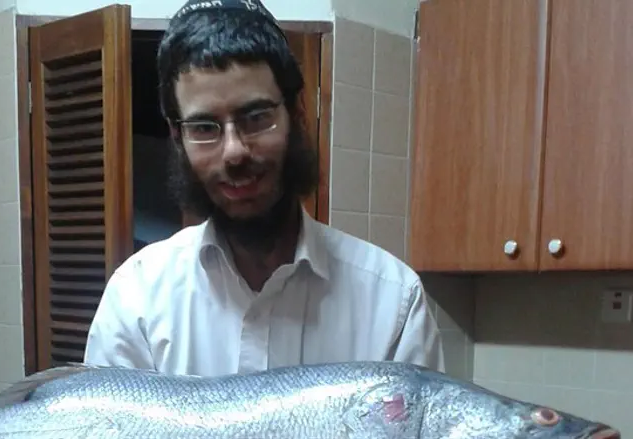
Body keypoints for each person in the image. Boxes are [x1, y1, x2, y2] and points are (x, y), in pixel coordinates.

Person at [83, 0, 444, 376]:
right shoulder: (136, 297)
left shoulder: (393, 303)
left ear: (296, 113)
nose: (235, 151)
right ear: (178, 138)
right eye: (205, 128)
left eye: (256, 118)